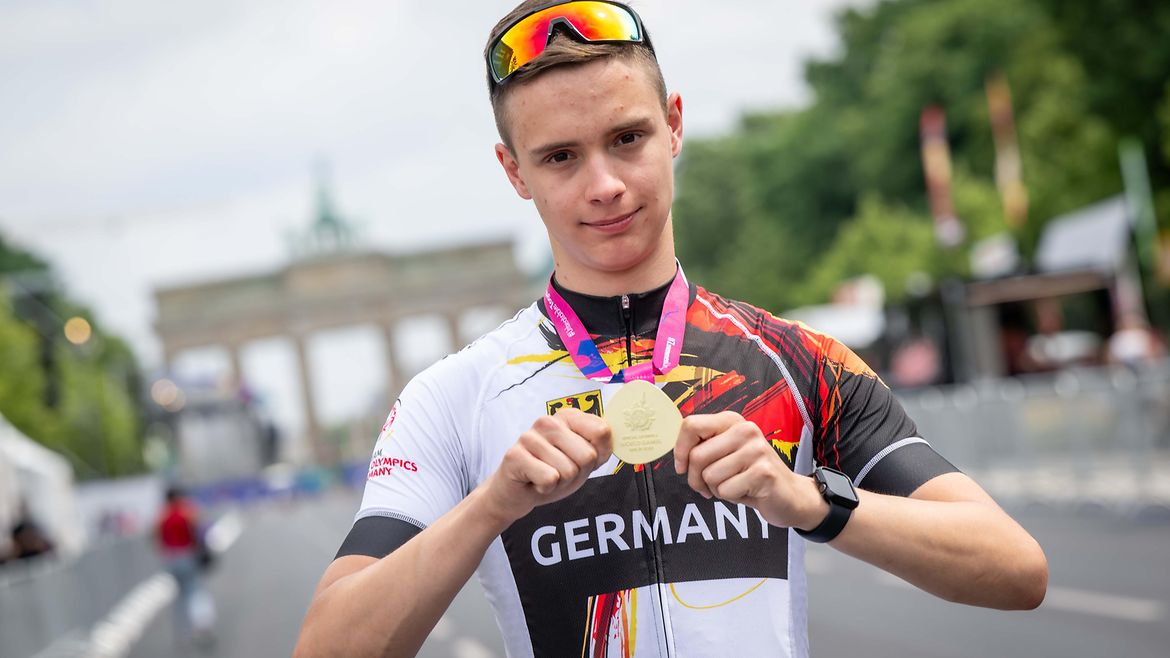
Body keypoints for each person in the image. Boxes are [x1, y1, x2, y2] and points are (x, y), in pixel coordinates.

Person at [295, 2, 1048, 656]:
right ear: (514, 172)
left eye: (627, 138)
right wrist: (491, 506)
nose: (606, 185)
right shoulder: (452, 397)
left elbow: (1016, 568)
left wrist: (811, 502)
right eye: (560, 157)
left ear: (674, 124)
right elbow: (327, 645)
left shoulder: (798, 358)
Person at [155, 486, 216, 647]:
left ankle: (183, 634)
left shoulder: (161, 517)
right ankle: (202, 626)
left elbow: (155, 539)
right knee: (195, 591)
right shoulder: (187, 513)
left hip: (170, 559)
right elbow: (200, 533)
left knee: (180, 596)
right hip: (187, 556)